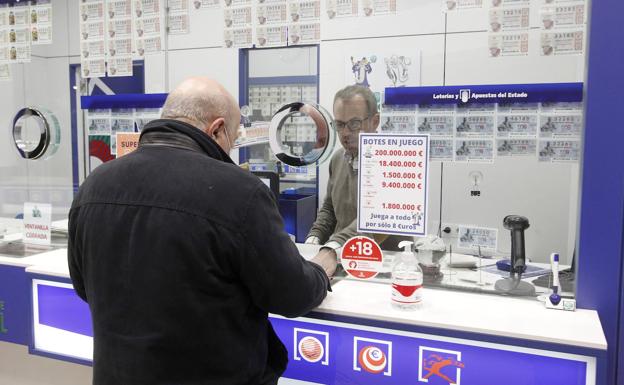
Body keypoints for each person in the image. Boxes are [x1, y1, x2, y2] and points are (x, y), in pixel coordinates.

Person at [68, 77, 335, 385]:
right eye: (232, 141)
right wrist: (322, 268)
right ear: (217, 129)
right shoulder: (238, 191)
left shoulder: (95, 185)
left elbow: (84, 287)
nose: (230, 153)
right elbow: (292, 295)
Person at [305, 85, 398, 261]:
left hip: (385, 262)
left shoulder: (392, 162)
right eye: (339, 124)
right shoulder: (338, 158)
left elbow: (375, 221)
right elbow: (330, 208)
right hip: (342, 258)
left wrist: (332, 246)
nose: (345, 133)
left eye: (354, 123)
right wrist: (313, 239)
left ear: (375, 121)